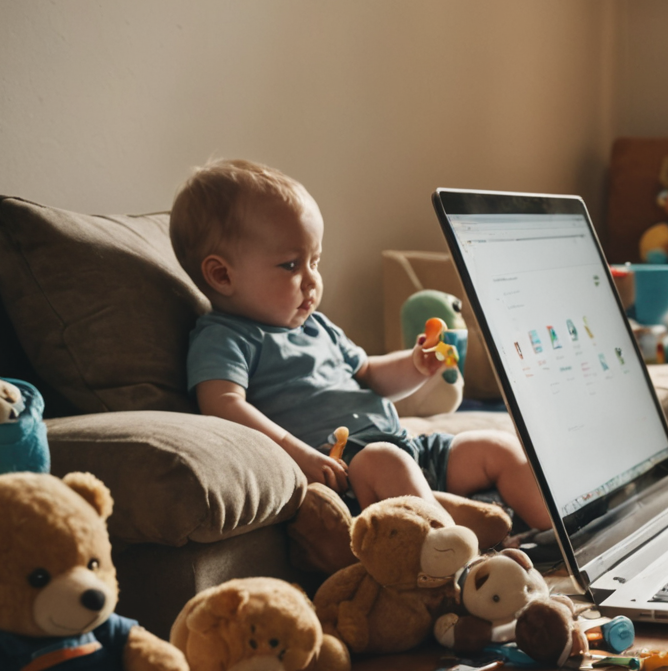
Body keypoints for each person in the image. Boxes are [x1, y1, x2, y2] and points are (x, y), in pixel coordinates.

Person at [170, 160, 550, 573]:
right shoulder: (223, 337)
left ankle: (557, 536)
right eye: (291, 265)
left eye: (315, 261)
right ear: (222, 275)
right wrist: (297, 454)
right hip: (350, 469)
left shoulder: (316, 325)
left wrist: (415, 364)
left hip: (408, 447)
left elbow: (368, 373)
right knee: (385, 460)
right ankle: (466, 572)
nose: (312, 280)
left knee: (496, 447)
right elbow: (222, 403)